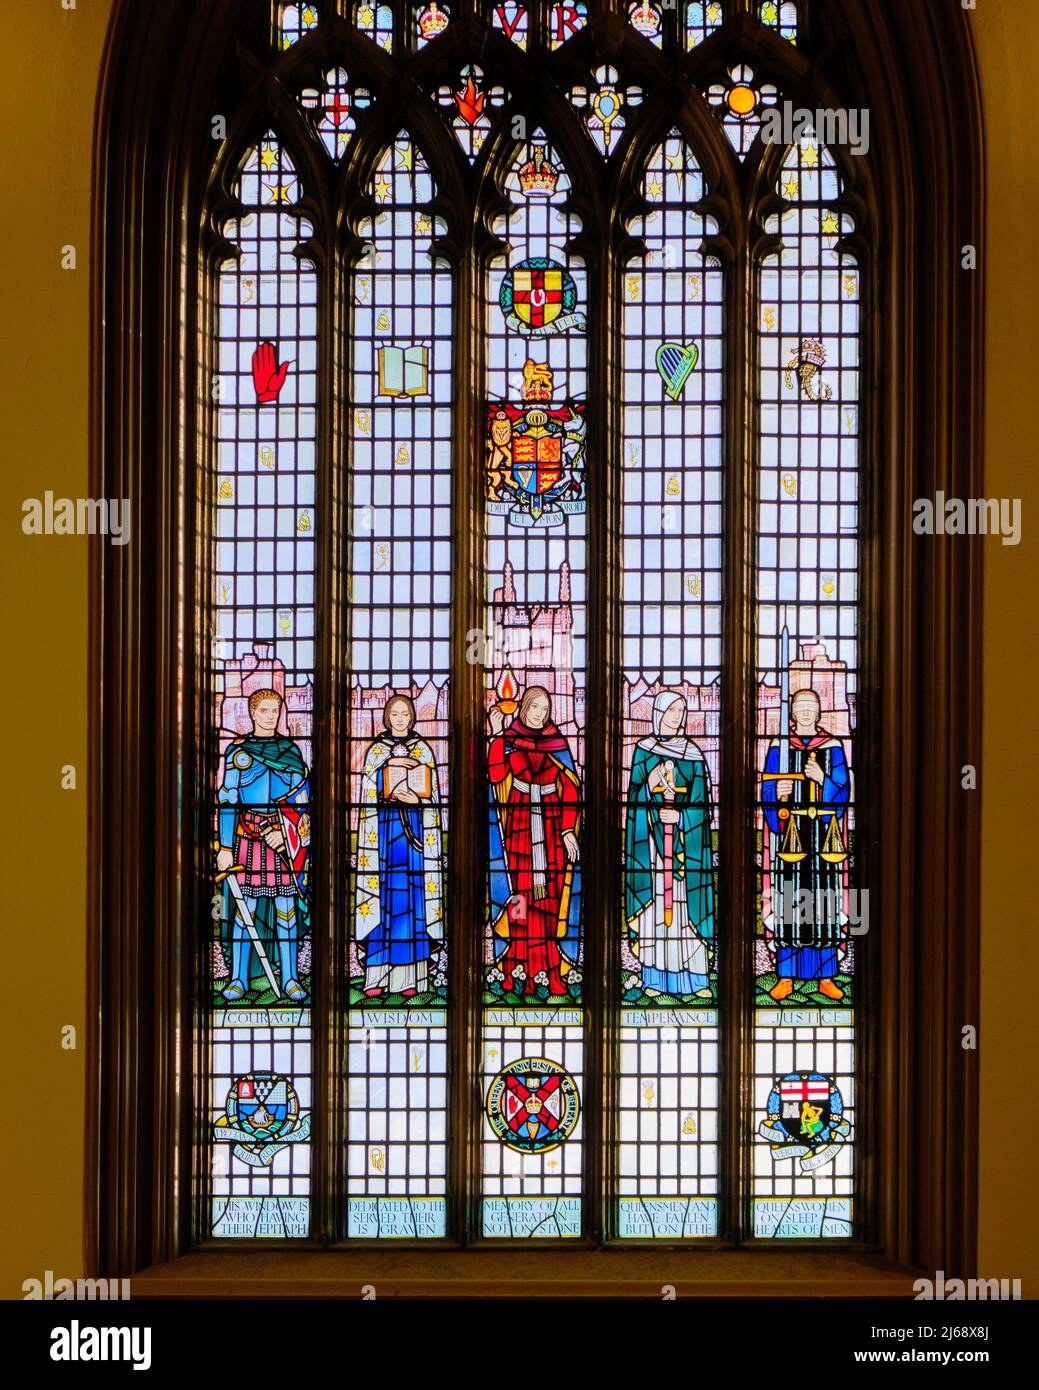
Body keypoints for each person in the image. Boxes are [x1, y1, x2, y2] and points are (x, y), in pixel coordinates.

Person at [216, 689, 310, 1002]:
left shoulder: (290, 752)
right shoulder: (237, 753)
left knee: (287, 912)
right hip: (248, 839)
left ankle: (292, 979)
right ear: (252, 713)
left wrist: (288, 835)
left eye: (275, 710)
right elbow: (228, 799)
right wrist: (226, 846)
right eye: (265, 711)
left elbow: (304, 803)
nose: (271, 716)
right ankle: (239, 979)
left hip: (282, 842)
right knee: (246, 912)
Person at [487, 686, 581, 996]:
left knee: (550, 900)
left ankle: (552, 971)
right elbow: (497, 774)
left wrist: (568, 830)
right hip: (520, 825)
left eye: (545, 708)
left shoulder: (557, 744)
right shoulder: (510, 740)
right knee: (521, 898)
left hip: (553, 825)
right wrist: (498, 734)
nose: (540, 714)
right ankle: (517, 968)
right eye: (535, 707)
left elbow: (570, 788)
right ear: (524, 707)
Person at [761, 687, 851, 1001]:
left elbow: (843, 794)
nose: (807, 712)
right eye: (801, 707)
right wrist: (778, 792)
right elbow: (767, 794)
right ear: (793, 713)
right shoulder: (779, 748)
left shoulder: (834, 747)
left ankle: (826, 976)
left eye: (812, 707)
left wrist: (822, 780)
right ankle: (786, 975)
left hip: (824, 843)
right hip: (790, 841)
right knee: (789, 903)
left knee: (824, 904)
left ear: (819, 712)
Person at [624, 691, 715, 999]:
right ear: (658, 713)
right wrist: (649, 788)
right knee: (655, 916)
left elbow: (704, 806)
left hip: (684, 857)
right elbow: (633, 799)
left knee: (685, 912)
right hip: (651, 853)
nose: (677, 716)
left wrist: (680, 816)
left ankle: (697, 978)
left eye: (681, 710)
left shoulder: (693, 756)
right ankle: (654, 976)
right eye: (671, 710)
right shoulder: (643, 751)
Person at [354, 694, 444, 998]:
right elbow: (366, 791)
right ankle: (376, 976)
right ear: (387, 717)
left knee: (411, 905)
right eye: (395, 714)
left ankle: (410, 979)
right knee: (382, 904)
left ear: (413, 717)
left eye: (405, 714)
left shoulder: (423, 750)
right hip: (382, 839)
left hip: (415, 842)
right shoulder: (376, 752)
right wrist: (387, 771)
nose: (401, 719)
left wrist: (417, 800)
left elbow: (433, 795)